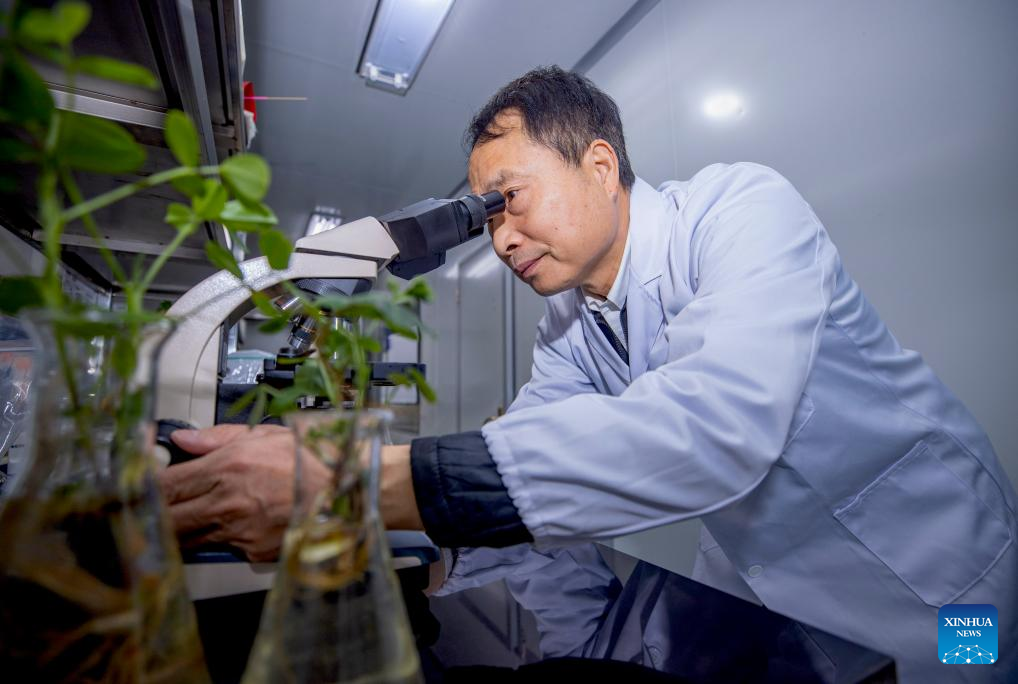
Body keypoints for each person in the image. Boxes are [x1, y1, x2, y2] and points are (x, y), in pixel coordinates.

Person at [161, 66, 1016, 682]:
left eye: (509, 199)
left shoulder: (742, 209)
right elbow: (522, 451)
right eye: (486, 217)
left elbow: (717, 428)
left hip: (932, 571)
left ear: (600, 167)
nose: (500, 236)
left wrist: (348, 484)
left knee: (966, 670)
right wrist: (416, 545)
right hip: (768, 589)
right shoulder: (570, 326)